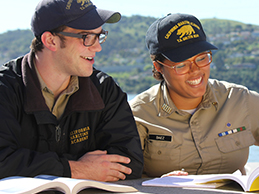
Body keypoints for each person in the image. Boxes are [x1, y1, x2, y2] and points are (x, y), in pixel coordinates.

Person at [0, 0, 143, 182]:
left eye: (99, 36)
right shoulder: (5, 88)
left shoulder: (105, 90)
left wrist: (38, 166)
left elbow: (130, 164)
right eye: (87, 37)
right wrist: (75, 169)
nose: (98, 47)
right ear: (51, 40)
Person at [129, 13, 259, 177]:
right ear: (158, 66)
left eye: (202, 58)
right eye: (182, 64)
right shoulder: (137, 115)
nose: (196, 70)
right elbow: (123, 181)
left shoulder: (241, 99)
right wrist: (157, 184)